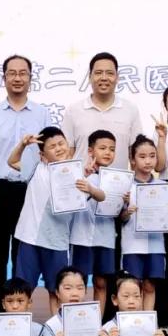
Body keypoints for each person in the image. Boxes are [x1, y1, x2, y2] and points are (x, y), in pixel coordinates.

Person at [0, 55, 52, 319]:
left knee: (23, 257)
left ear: (30, 78)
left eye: (23, 73)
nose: (18, 78)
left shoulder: (42, 113)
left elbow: (50, 153)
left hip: (30, 191)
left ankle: (20, 315)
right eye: (12, 73)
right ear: (4, 78)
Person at [11, 127, 103, 315]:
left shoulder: (78, 175)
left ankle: (57, 329)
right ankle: (20, 328)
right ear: (42, 155)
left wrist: (90, 188)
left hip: (57, 242)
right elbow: (12, 161)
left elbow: (101, 196)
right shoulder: (36, 169)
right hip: (30, 238)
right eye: (52, 146)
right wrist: (22, 144)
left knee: (56, 291)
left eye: (61, 143)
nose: (59, 148)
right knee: (22, 290)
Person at [60, 52, 143, 171]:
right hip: (82, 181)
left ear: (117, 77)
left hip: (118, 181)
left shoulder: (130, 110)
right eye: (98, 73)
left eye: (110, 73)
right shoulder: (73, 110)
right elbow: (67, 154)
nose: (104, 78)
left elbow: (135, 155)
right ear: (90, 77)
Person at [120, 135, 168, 312]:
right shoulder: (126, 185)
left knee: (150, 286)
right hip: (132, 245)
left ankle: (147, 320)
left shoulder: (162, 186)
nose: (148, 161)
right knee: (132, 287)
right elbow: (121, 218)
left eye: (152, 156)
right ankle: (131, 321)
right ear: (132, 160)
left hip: (155, 245)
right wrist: (127, 211)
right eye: (142, 156)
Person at [70, 129, 118, 314]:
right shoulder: (79, 173)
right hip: (81, 236)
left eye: (112, 149)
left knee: (101, 282)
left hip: (105, 237)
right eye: (102, 148)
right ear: (90, 151)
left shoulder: (118, 178)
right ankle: (77, 319)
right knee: (78, 282)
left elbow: (120, 209)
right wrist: (84, 176)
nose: (108, 152)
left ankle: (96, 321)